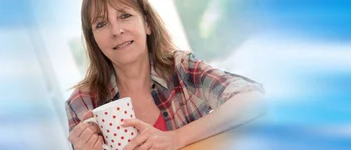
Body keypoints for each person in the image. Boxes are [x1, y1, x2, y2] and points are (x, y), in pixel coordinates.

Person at [65, 0, 266, 149]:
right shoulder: (82, 102)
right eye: (101, 24)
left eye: (125, 15)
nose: (116, 31)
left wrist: (176, 138)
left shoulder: (182, 69)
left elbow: (252, 99)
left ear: (147, 25)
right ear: (94, 40)